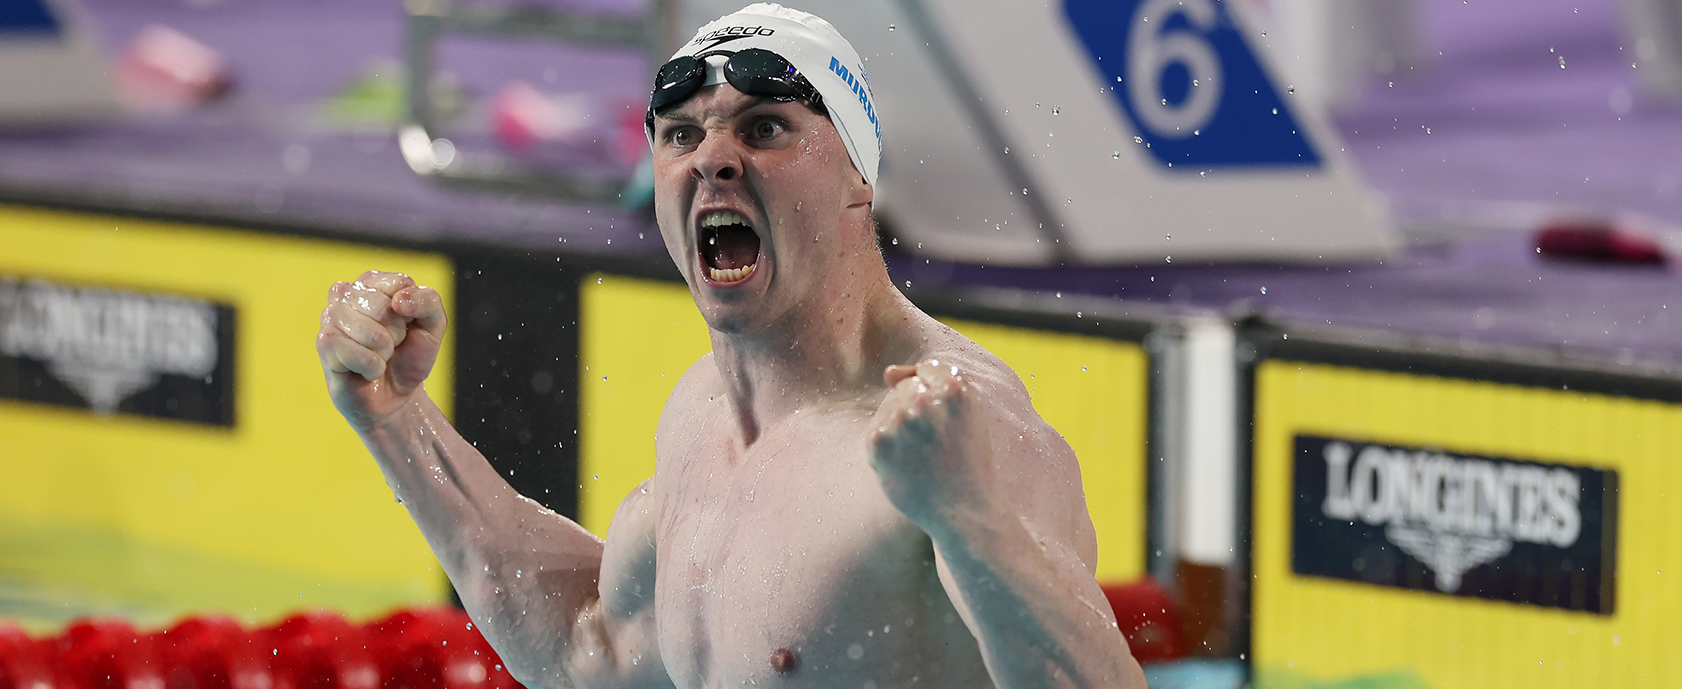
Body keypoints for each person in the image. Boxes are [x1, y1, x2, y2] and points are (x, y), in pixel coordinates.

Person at [315, 4, 1145, 687]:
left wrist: (972, 521)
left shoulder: (956, 425)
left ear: (860, 175)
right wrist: (396, 420)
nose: (714, 158)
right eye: (681, 135)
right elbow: (585, 649)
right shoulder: (700, 416)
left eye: (766, 129)